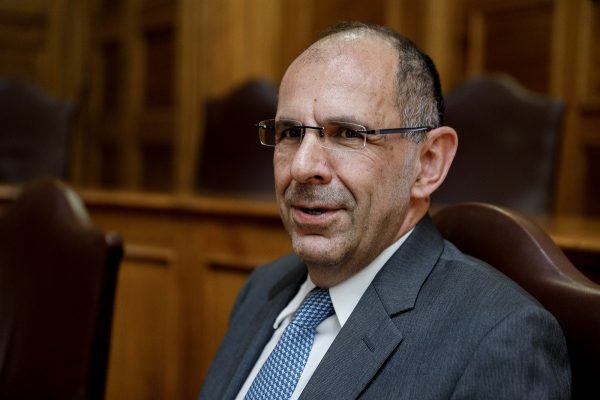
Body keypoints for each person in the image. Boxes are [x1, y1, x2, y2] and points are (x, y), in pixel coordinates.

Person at [199, 21, 571, 399]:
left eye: (348, 134)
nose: (302, 166)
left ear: (427, 163)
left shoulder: (501, 339)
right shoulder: (262, 287)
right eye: (291, 133)